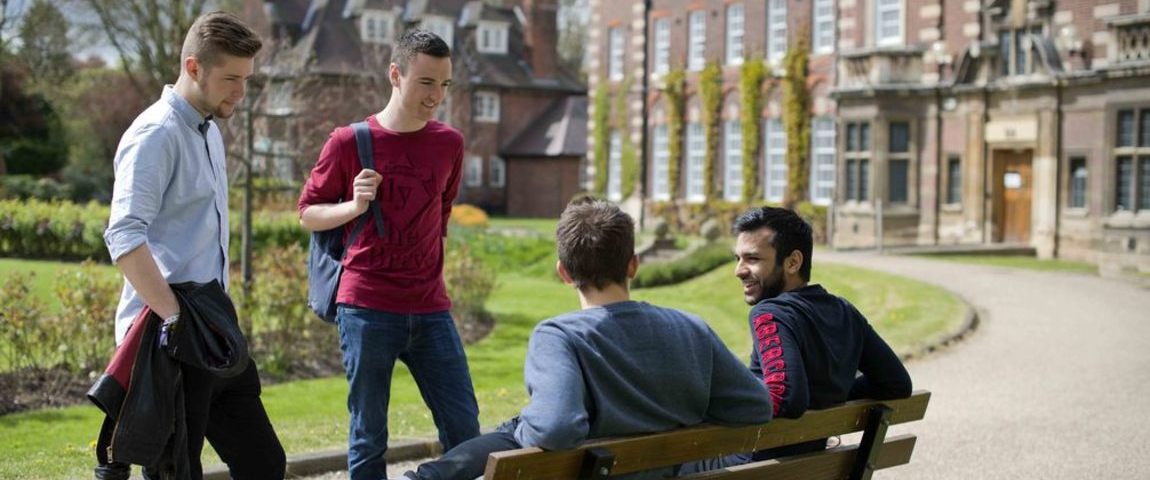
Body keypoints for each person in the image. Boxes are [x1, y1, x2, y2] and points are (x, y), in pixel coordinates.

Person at [400, 198, 775, 480]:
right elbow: (755, 405)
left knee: (507, 437)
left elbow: (556, 428)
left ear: (563, 272)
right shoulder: (690, 328)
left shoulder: (559, 337)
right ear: (633, 264)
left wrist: (519, 428)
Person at [102, 11, 285, 479]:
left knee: (264, 463)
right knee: (176, 472)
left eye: (246, 79)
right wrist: (175, 318)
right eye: (231, 79)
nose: (240, 93)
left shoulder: (210, 130)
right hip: (170, 337)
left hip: (214, 326)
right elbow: (123, 236)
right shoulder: (156, 135)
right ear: (193, 68)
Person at [297, 30, 480, 479]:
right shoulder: (348, 141)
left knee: (466, 428)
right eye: (426, 83)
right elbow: (307, 213)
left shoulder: (449, 144)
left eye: (444, 85)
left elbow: (442, 214)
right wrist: (354, 207)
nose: (436, 96)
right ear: (395, 75)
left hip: (431, 307)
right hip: (366, 307)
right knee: (368, 433)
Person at [733, 206, 912, 459]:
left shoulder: (770, 315)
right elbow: (896, 383)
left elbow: (786, 397)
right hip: (813, 470)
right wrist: (830, 394)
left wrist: (723, 403)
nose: (739, 270)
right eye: (737, 259)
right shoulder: (844, 311)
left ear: (793, 262)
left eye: (752, 259)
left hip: (756, 470)